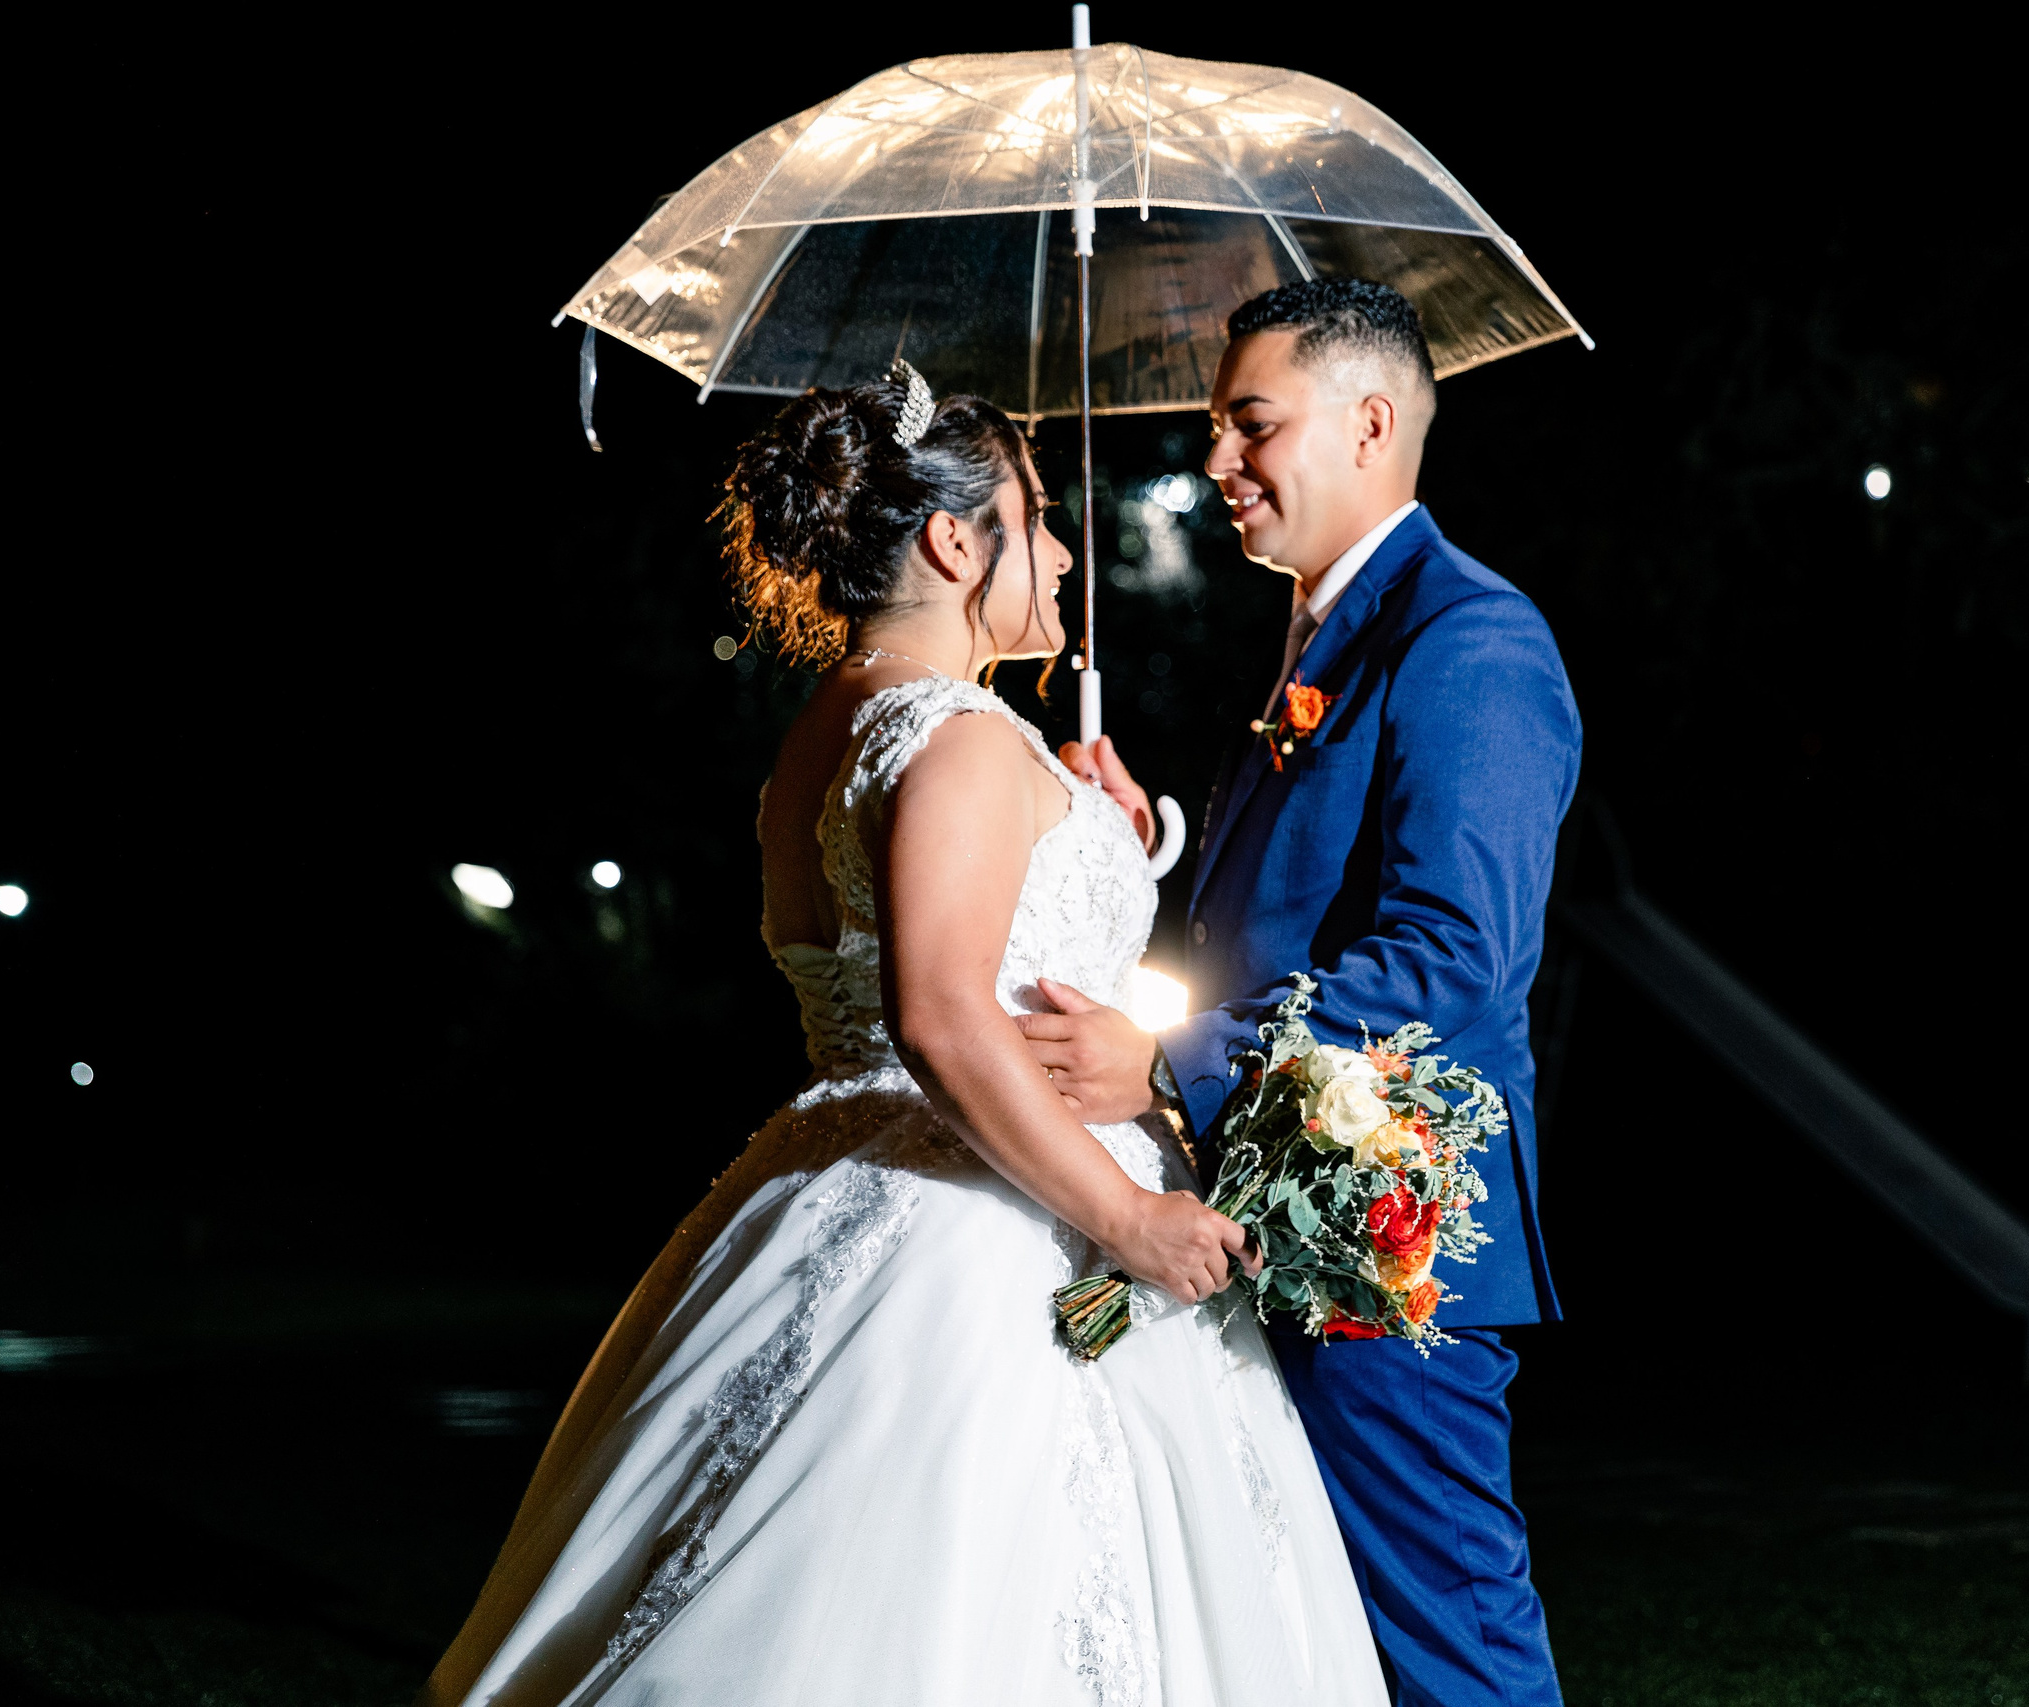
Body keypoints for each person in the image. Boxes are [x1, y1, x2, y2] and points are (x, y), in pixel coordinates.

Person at [420, 369, 1387, 1707]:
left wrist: (1096, 825)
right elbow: (939, 1013)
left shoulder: (827, 736)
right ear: (950, 541)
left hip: (833, 1176)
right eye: (1035, 520)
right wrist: (1127, 1216)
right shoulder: (964, 739)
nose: (1062, 554)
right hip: (1000, 1215)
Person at [1021, 281, 1580, 1707]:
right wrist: (1127, 849)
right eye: (1221, 425)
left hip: (1387, 1230)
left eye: (1250, 424)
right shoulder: (1324, 631)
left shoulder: (1470, 639)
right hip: (1276, 1209)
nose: (1218, 458)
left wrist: (1173, 1065)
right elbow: (1279, 920)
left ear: (1370, 424)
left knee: (1449, 1648)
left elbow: (1451, 958)